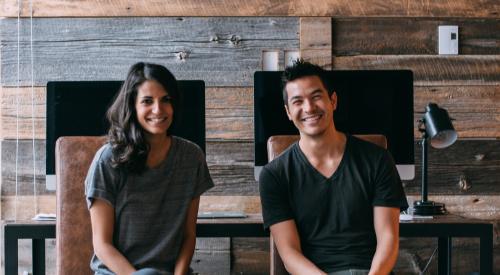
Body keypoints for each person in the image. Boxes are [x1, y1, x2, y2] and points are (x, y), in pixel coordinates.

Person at [259, 60, 408, 275]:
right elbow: (289, 253)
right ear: (288, 112)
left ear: (333, 100)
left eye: (316, 96)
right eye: (298, 101)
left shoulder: (378, 160)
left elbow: (388, 239)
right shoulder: (274, 175)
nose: (309, 107)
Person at [85, 62, 213, 275]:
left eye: (166, 100)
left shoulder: (192, 157)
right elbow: (102, 245)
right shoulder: (107, 160)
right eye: (147, 101)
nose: (158, 110)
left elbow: (188, 235)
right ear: (132, 106)